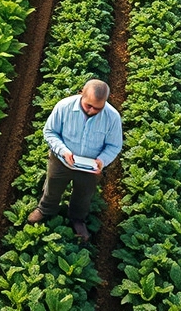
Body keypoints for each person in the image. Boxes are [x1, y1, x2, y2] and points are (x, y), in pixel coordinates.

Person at [26, 79, 122, 242]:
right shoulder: (64, 107)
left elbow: (114, 145)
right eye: (88, 106)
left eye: (97, 108)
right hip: (61, 161)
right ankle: (45, 209)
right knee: (53, 186)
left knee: (84, 195)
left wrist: (102, 160)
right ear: (81, 94)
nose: (92, 111)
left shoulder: (112, 118)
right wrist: (63, 151)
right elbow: (50, 132)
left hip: (89, 167)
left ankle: (77, 219)